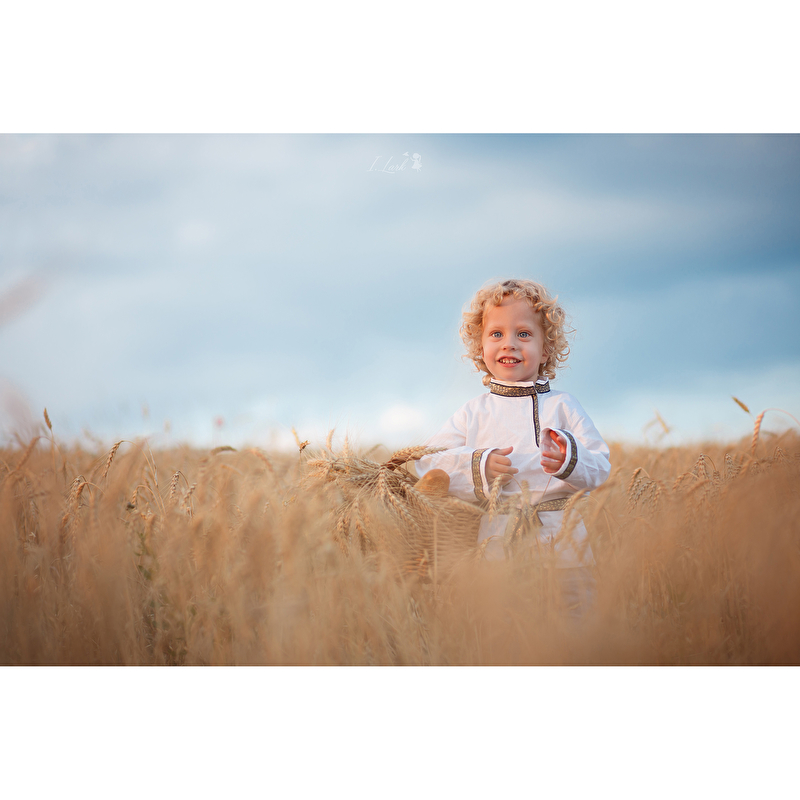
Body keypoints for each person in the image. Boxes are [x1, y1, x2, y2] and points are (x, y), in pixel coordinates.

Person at [415, 278, 610, 614]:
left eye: (523, 334)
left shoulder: (564, 406)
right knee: (507, 630)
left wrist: (569, 459)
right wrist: (479, 464)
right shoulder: (473, 412)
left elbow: (600, 466)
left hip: (564, 550)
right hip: (498, 548)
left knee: (573, 626)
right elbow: (428, 463)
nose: (509, 344)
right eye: (496, 334)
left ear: (546, 349)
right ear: (480, 348)